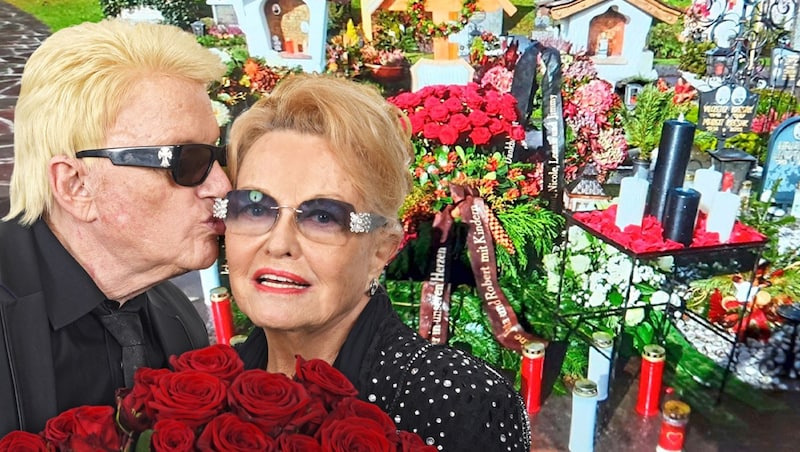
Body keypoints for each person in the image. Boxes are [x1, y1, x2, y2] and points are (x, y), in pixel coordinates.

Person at [225, 74, 532, 451]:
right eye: (255, 207)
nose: (280, 243)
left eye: (323, 216)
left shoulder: (459, 404)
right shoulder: (215, 382)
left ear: (380, 251)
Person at [0, 19, 231, 435]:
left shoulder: (179, 320)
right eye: (184, 162)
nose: (221, 185)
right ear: (75, 185)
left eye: (218, 153)